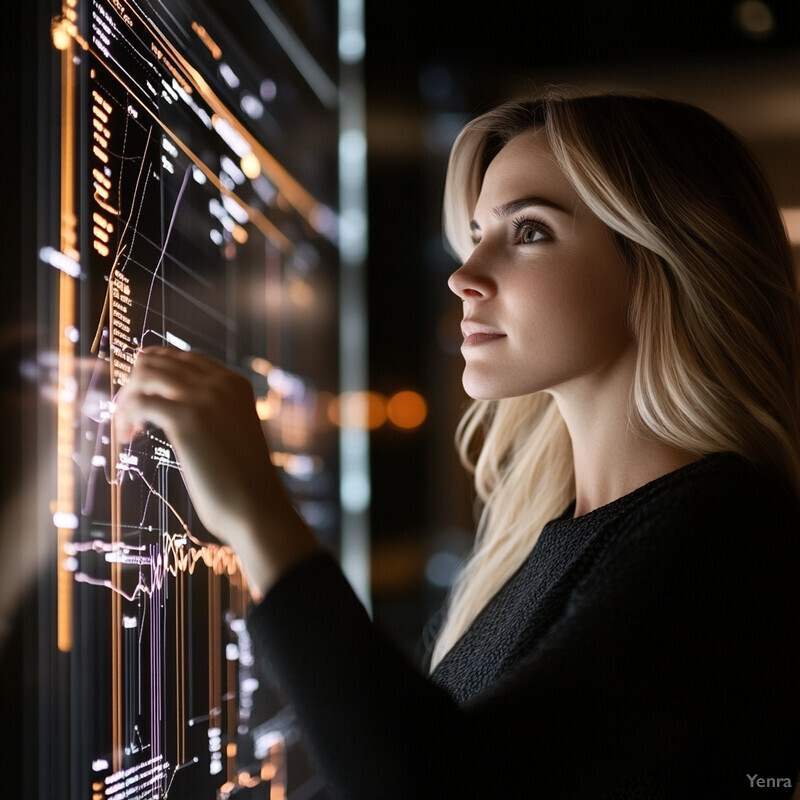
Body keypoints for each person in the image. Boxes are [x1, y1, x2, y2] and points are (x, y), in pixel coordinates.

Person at [114, 91, 800, 799]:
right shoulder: (557, 538)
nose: (464, 275)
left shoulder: (727, 537)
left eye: (529, 231)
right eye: (475, 234)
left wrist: (259, 516)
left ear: (663, 262)